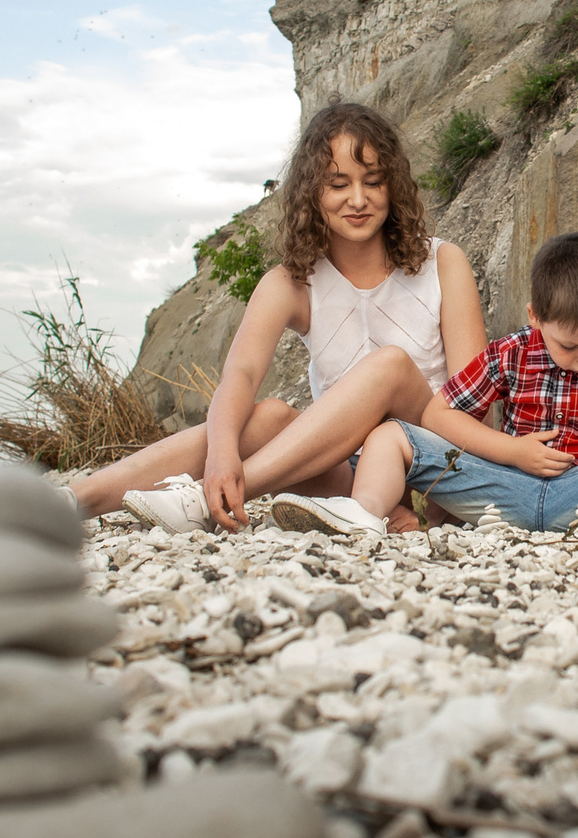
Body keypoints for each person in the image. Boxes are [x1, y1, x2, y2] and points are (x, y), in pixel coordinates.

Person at [69, 102, 484, 532]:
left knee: (390, 367)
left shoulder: (443, 263)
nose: (358, 200)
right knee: (267, 416)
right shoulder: (292, 282)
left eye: (373, 182)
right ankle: (73, 500)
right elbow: (242, 375)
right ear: (312, 191)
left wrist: (441, 504)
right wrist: (221, 455)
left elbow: (476, 401)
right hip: (348, 480)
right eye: (338, 184)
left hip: (434, 465)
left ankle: (206, 498)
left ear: (392, 185)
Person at [272, 231, 578, 535]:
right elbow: (438, 414)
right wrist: (511, 451)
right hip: (506, 486)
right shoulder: (511, 352)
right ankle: (362, 515)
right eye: (569, 346)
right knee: (391, 435)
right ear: (535, 317)